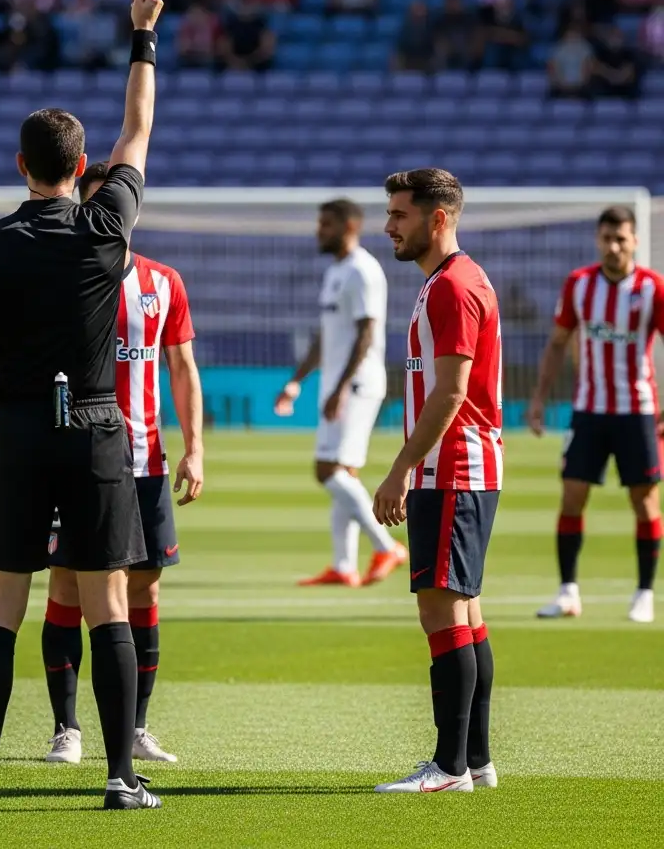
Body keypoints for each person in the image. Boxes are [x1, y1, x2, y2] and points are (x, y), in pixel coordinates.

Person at [0, 0, 164, 812]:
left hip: (17, 430)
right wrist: (142, 36)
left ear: (20, 165)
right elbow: (138, 129)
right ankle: (121, 780)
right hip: (96, 428)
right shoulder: (106, 228)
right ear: (81, 168)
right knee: (109, 608)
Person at [43, 159, 204, 768]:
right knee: (66, 583)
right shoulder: (65, 278)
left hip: (146, 461)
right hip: (79, 456)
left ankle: (135, 726)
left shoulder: (163, 283)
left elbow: (182, 369)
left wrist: (196, 447)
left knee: (144, 586)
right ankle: (67, 728)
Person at [373, 168, 502, 794]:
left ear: (438, 218)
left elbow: (451, 392)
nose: (389, 225)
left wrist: (401, 468)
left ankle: (450, 767)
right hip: (459, 468)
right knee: (466, 613)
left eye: (400, 214)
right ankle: (475, 760)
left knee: (442, 610)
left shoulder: (453, 287)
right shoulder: (447, 282)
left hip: (451, 468)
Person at [527, 206, 662, 625]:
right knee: (571, 496)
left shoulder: (653, 287)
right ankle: (568, 592)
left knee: (644, 502)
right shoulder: (579, 284)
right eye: (607, 238)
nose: (614, 246)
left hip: (637, 411)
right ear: (597, 240)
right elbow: (556, 343)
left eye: (621, 238)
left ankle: (644, 593)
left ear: (635, 241)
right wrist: (538, 398)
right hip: (588, 409)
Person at [275, 200, 406, 588]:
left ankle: (387, 547)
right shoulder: (336, 271)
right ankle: (344, 565)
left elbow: (368, 332)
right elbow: (325, 335)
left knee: (327, 470)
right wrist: (297, 380)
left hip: (358, 384)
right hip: (339, 384)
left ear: (349, 226)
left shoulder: (364, 270)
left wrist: (342, 387)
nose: (319, 231)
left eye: (326, 224)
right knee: (344, 473)